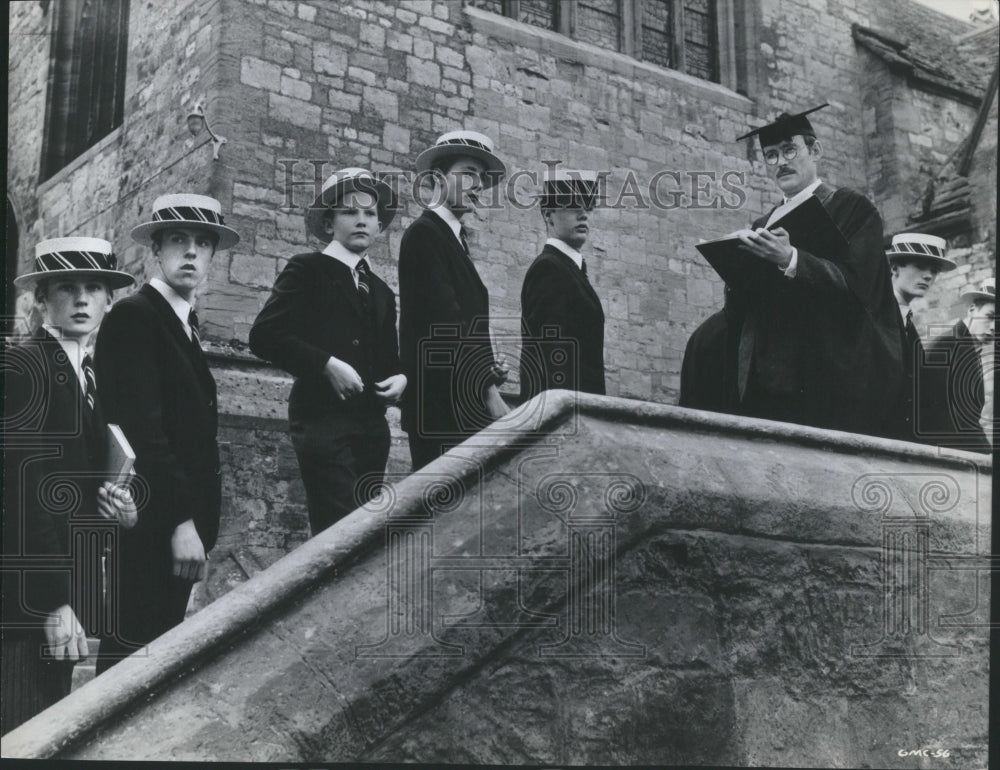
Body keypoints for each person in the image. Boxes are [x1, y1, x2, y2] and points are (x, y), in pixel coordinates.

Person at [93, 194, 240, 673]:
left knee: (151, 660)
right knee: (132, 661)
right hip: (154, 527)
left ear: (214, 255)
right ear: (156, 250)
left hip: (177, 528)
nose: (192, 252)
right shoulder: (137, 315)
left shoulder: (181, 322)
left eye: (203, 242)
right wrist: (180, 521)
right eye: (179, 240)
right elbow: (143, 433)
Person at [2, 238, 137, 731]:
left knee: (44, 727)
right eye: (67, 288)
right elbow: (20, 489)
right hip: (28, 601)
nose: (82, 299)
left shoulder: (86, 372)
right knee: (19, 730)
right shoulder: (29, 366)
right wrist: (53, 600)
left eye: (94, 287)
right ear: (41, 299)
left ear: (108, 300)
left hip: (69, 585)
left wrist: (115, 504)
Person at [704, 104, 903, 436]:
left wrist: (791, 259)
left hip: (823, 376)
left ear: (816, 151)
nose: (781, 161)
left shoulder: (853, 209)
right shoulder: (761, 225)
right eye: (770, 155)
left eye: (789, 150)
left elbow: (861, 286)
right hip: (768, 377)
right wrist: (735, 273)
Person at [249, 168, 406, 536]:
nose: (362, 221)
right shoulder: (307, 269)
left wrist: (402, 377)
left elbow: (389, 358)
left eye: (370, 215)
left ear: (380, 228)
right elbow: (265, 335)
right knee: (339, 532)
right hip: (322, 423)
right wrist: (326, 364)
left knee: (366, 534)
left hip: (371, 430)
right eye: (350, 212)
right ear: (329, 220)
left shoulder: (381, 290)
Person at [398, 130, 510, 470]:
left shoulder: (451, 239)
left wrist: (489, 368)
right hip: (440, 409)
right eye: (467, 173)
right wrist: (489, 390)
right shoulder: (425, 234)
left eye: (481, 177)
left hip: (459, 404)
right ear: (436, 179)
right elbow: (445, 322)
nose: (477, 185)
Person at [519, 168, 606, 402]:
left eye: (587, 207)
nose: (583, 214)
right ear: (549, 215)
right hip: (564, 415)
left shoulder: (570, 270)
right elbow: (552, 357)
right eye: (573, 206)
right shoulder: (549, 269)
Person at [885, 233, 956, 444]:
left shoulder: (907, 321)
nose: (928, 276)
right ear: (894, 268)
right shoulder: (874, 314)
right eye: (920, 266)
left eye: (934, 271)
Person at [920, 278, 995, 453]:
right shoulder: (946, 346)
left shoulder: (970, 349)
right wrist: (987, 455)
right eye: (990, 317)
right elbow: (941, 418)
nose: (994, 327)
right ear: (972, 310)